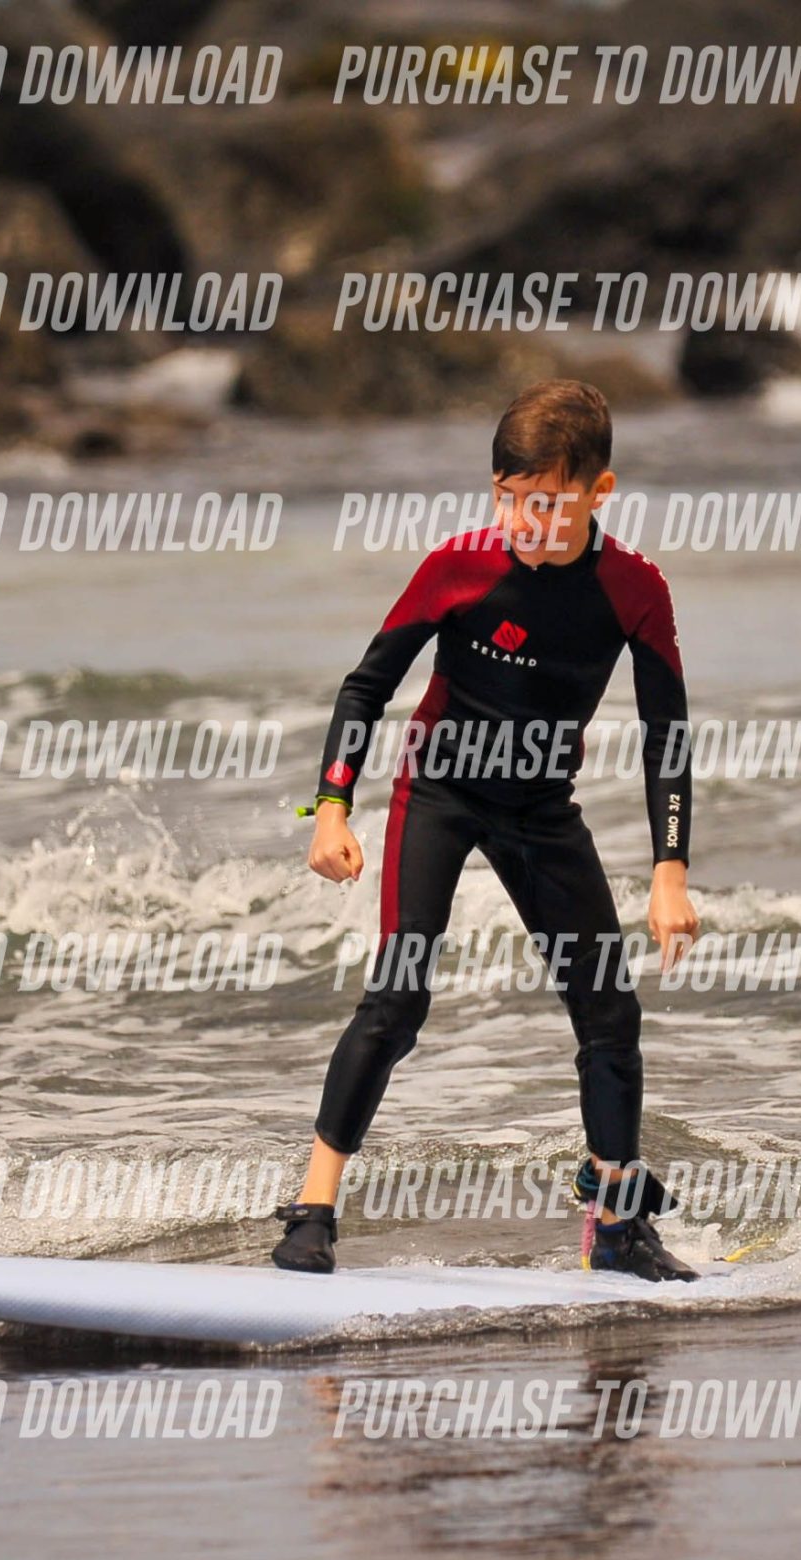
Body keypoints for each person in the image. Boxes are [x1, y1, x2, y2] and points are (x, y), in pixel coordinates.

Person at [270, 380, 702, 1282]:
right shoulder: (458, 566)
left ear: (598, 491)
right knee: (398, 998)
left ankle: (617, 1226)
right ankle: (312, 1210)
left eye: (545, 502)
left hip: (542, 809)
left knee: (609, 1011)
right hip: (440, 792)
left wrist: (670, 869)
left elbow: (666, 731)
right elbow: (366, 686)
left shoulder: (634, 588)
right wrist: (331, 807)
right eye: (507, 498)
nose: (521, 520)